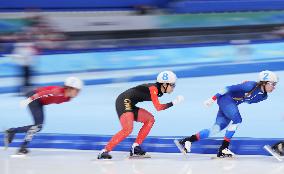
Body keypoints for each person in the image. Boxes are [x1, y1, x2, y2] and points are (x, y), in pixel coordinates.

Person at [175, 70, 278, 158]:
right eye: (272, 84)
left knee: (215, 130)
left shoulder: (263, 97)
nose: (274, 87)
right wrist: (212, 98)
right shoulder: (249, 85)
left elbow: (245, 99)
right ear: (264, 83)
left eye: (275, 84)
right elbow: (227, 88)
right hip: (225, 99)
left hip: (231, 104)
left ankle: (187, 140)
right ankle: (224, 148)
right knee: (238, 119)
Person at [97, 71, 184, 159]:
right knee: (127, 129)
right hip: (123, 101)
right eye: (172, 85)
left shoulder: (158, 91)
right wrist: (174, 102)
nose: (173, 87)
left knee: (150, 119)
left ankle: (136, 147)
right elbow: (158, 107)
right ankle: (104, 151)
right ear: (165, 84)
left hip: (130, 104)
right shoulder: (153, 89)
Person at [4, 77, 83, 155]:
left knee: (37, 126)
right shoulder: (57, 92)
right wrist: (28, 100)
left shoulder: (68, 98)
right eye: (77, 90)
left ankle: (16, 138)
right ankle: (15, 136)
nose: (78, 93)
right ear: (69, 88)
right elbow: (41, 94)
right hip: (34, 97)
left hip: (40, 102)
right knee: (37, 126)